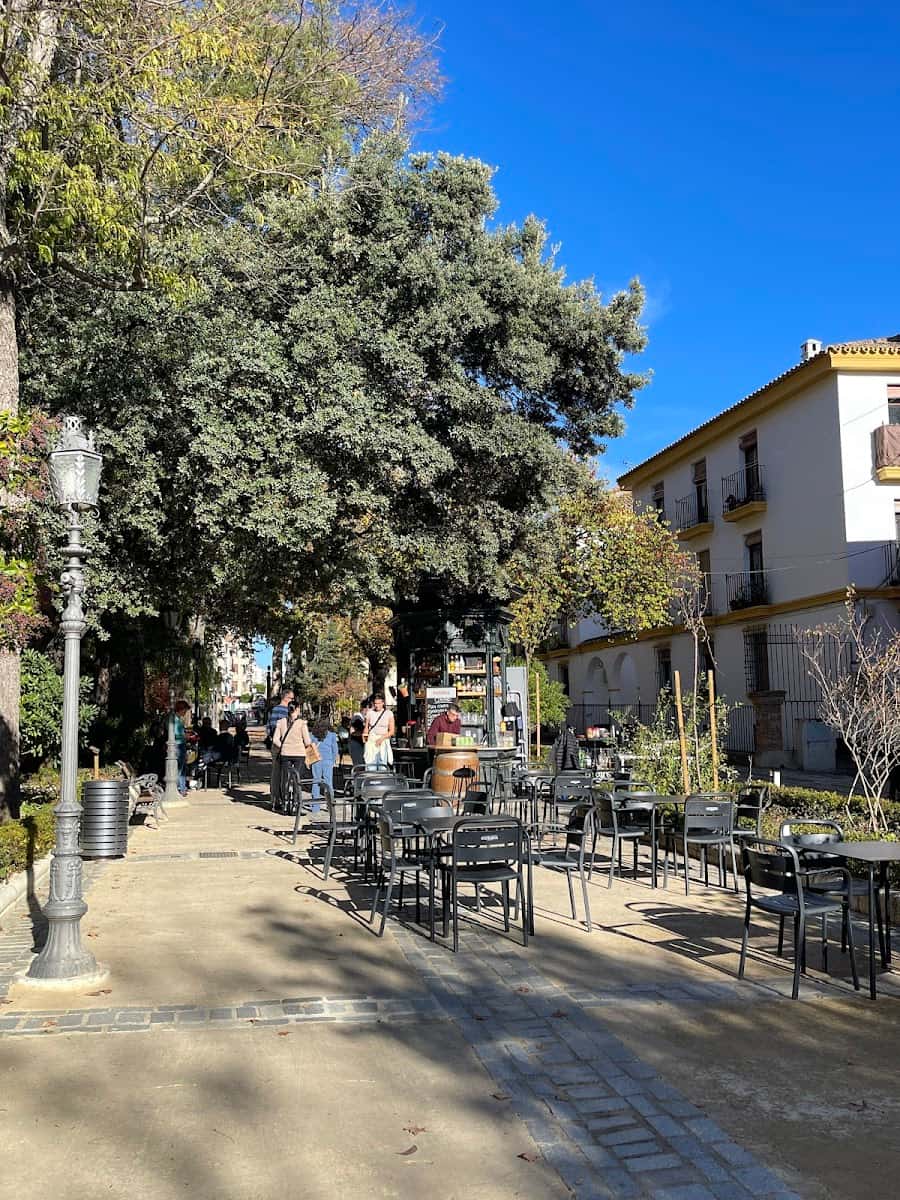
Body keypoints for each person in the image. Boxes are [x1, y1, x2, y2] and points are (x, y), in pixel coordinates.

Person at [272, 701, 312, 813]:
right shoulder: (302, 723)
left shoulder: (281, 722)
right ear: (298, 709)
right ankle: (295, 803)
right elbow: (307, 741)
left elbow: (275, 739)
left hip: (285, 754)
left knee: (285, 778)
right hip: (299, 754)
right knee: (297, 779)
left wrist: (284, 746)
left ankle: (285, 803)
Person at [267, 689, 294, 808]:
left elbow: (269, 727)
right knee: (284, 774)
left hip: (275, 744)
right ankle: (283, 799)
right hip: (284, 745)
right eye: (292, 699)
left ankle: (275, 799)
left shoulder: (274, 710)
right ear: (286, 698)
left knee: (276, 773)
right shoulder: (284, 711)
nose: (293, 701)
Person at [310, 718, 339, 804]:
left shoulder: (312, 735)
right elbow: (335, 749)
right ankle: (330, 804)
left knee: (316, 781)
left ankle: (315, 805)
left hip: (316, 760)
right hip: (328, 760)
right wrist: (333, 760)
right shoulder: (332, 735)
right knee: (328, 782)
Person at [363, 693, 395, 766]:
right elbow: (366, 728)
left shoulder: (389, 713)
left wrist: (382, 738)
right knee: (370, 765)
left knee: (382, 765)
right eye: (375, 703)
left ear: (383, 703)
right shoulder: (370, 713)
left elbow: (392, 731)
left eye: (378, 703)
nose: (377, 705)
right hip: (371, 741)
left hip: (383, 740)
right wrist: (365, 739)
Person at [174, 700, 191, 795]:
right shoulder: (174, 720)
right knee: (179, 768)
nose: (185, 713)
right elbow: (174, 734)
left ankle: (182, 787)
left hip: (181, 744)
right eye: (185, 710)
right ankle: (180, 788)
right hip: (178, 745)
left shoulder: (178, 719)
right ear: (181, 709)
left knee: (183, 767)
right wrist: (185, 736)